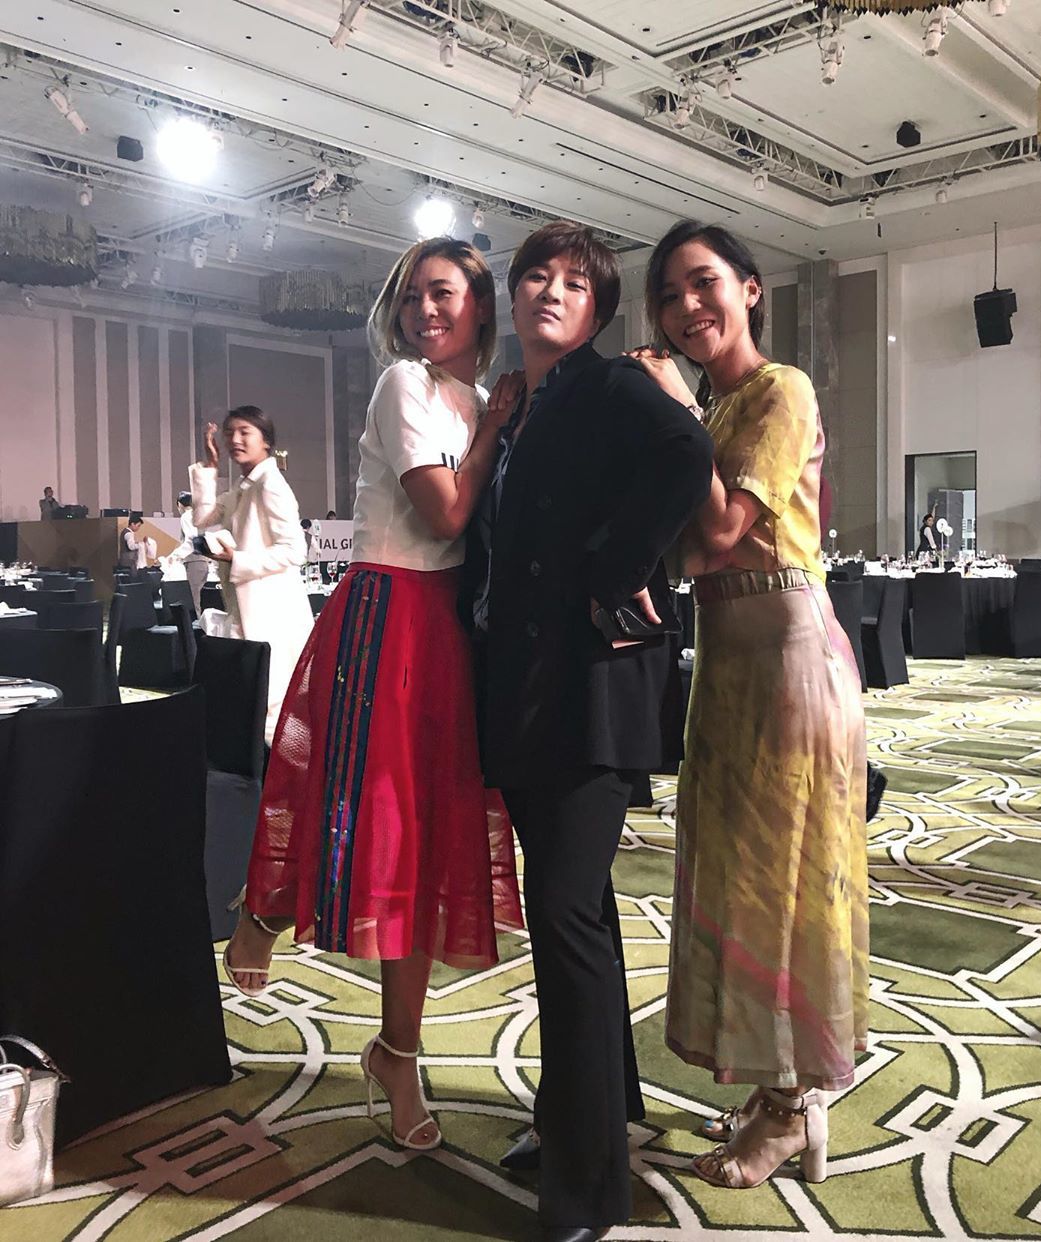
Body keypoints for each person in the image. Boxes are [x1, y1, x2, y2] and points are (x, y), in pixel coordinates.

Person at [222, 237, 523, 1155]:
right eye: (412, 297)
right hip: (386, 612)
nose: (424, 311)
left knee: (428, 843)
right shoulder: (406, 386)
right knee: (362, 815)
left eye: (444, 294)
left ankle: (398, 1052)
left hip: (450, 627)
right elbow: (446, 513)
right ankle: (265, 907)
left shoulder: (483, 399)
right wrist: (498, 431)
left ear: (480, 306)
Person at [470, 221, 713, 1242]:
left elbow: (687, 452)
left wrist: (616, 571)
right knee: (585, 916)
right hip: (531, 697)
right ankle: (590, 1116)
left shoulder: (610, 386)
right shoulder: (522, 406)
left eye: (574, 283)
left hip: (590, 698)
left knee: (564, 919)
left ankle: (586, 1186)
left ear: (600, 309)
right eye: (535, 276)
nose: (549, 291)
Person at [635, 219, 867, 1190]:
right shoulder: (719, 410)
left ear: (750, 288)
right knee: (736, 876)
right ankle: (781, 1091)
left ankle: (789, 1111)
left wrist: (672, 411)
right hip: (727, 658)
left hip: (785, 656)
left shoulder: (780, 390)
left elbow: (725, 527)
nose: (687, 307)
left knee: (785, 882)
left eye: (704, 284)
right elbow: (686, 551)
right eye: (670, 295)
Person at [189, 407, 313, 745]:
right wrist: (210, 466)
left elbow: (295, 551)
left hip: (272, 612)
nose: (235, 439)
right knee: (259, 705)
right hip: (249, 609)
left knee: (273, 708)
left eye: (245, 432)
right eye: (229, 432)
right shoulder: (245, 486)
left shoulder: (270, 485)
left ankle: (279, 773)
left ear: (266, 441)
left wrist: (238, 559)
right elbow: (203, 517)